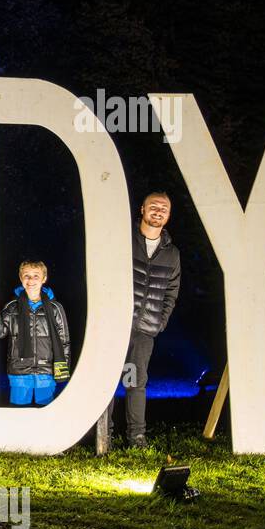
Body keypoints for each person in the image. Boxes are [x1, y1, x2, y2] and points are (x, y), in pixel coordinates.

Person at [110, 191, 181, 448]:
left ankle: (136, 437)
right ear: (142, 209)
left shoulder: (172, 253)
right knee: (106, 379)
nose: (158, 211)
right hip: (116, 324)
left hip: (145, 331)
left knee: (136, 381)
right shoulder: (124, 239)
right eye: (154, 206)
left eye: (164, 208)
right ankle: (103, 435)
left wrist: (160, 321)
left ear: (169, 215)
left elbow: (172, 292)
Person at [0, 261, 71, 406]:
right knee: (19, 418)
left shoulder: (55, 308)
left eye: (36, 276)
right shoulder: (12, 307)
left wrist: (62, 371)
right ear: (20, 278)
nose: (31, 280)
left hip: (46, 373)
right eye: (27, 276)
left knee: (45, 418)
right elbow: (1, 333)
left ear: (44, 279)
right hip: (19, 373)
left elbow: (64, 341)